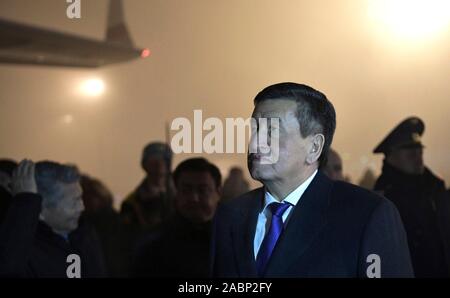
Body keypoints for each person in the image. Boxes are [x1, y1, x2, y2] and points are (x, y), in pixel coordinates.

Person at [211, 82, 413, 278]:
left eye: (272, 131)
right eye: (255, 129)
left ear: (314, 147)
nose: (256, 142)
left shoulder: (366, 215)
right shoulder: (230, 216)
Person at [0, 160, 106, 278]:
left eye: (80, 198)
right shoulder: (20, 247)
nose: (82, 207)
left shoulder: (84, 232)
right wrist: (26, 202)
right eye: (73, 203)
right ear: (41, 211)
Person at [373, 116, 450, 277]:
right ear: (391, 155)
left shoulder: (435, 189)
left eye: (420, 150)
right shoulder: (383, 198)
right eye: (411, 152)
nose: (418, 156)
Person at [132, 158, 221, 277]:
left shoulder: (237, 239)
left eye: (203, 190)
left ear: (218, 193)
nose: (194, 198)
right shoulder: (154, 244)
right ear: (176, 193)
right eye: (186, 190)